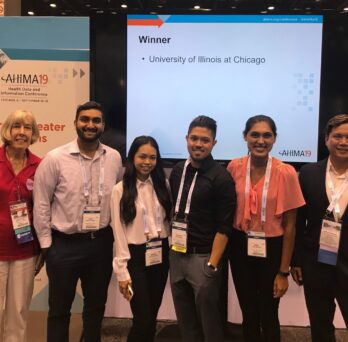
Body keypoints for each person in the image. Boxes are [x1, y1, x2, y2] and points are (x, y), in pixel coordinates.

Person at [33, 101, 122, 342]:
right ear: (75, 123)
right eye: (85, 120)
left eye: (96, 120)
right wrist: (46, 245)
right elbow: (41, 203)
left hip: (100, 244)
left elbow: (119, 196)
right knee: (59, 310)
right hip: (63, 246)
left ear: (103, 125)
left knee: (95, 309)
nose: (90, 125)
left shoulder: (113, 158)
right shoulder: (54, 159)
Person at [227, 115, 305, 342]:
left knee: (269, 312)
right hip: (240, 245)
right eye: (255, 135)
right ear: (245, 137)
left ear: (274, 139)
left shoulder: (286, 172)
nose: (260, 140)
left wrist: (283, 272)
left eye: (266, 135)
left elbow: (291, 226)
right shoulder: (234, 167)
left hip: (272, 248)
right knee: (248, 311)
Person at [169, 115, 236, 342]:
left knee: (210, 323)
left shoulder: (221, 178)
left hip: (204, 257)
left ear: (214, 143)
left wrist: (212, 264)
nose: (198, 144)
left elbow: (224, 227)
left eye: (205, 140)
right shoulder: (178, 170)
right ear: (187, 138)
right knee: (185, 318)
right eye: (194, 138)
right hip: (177, 254)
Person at [291, 114, 348, 342]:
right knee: (320, 325)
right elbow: (298, 220)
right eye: (338, 136)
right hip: (316, 261)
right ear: (327, 139)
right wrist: (295, 260)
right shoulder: (308, 172)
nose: (343, 141)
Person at [111, 136, 172, 342]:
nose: (147, 162)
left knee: (152, 316)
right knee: (142, 317)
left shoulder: (163, 185)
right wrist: (121, 271)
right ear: (132, 158)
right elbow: (118, 231)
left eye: (152, 158)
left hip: (160, 253)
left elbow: (167, 222)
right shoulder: (120, 190)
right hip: (134, 257)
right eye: (142, 156)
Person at [0, 110, 42, 342]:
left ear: (33, 133)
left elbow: (43, 207)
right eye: (17, 126)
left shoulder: (40, 165)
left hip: (25, 250)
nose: (22, 132)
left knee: (18, 312)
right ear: (8, 130)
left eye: (27, 127)